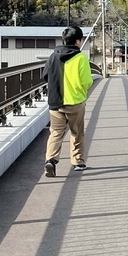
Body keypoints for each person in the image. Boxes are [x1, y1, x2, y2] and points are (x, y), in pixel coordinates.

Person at [42, 25, 93, 177]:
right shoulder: (80, 58)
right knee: (76, 132)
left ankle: (50, 160)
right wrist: (81, 91)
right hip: (75, 102)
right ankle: (78, 162)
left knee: (56, 133)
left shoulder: (53, 56)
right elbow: (87, 81)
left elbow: (45, 76)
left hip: (55, 102)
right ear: (77, 41)